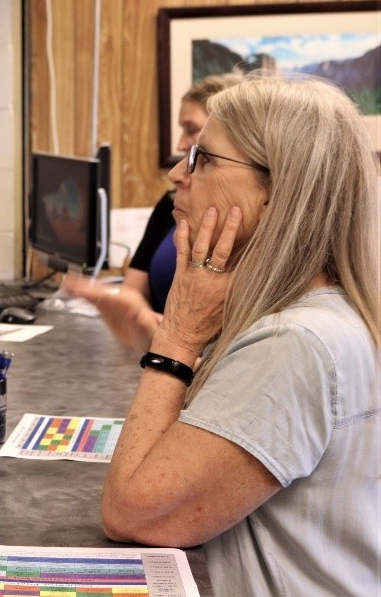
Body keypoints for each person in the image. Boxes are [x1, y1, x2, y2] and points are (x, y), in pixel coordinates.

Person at [98, 74, 380, 596]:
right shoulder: (324, 313)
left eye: (204, 158)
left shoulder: (293, 343)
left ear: (277, 196)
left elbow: (134, 512)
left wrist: (178, 336)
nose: (177, 173)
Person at [125, 73, 243, 314]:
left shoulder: (246, 219)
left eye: (191, 129)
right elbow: (131, 292)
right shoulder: (170, 203)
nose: (180, 145)